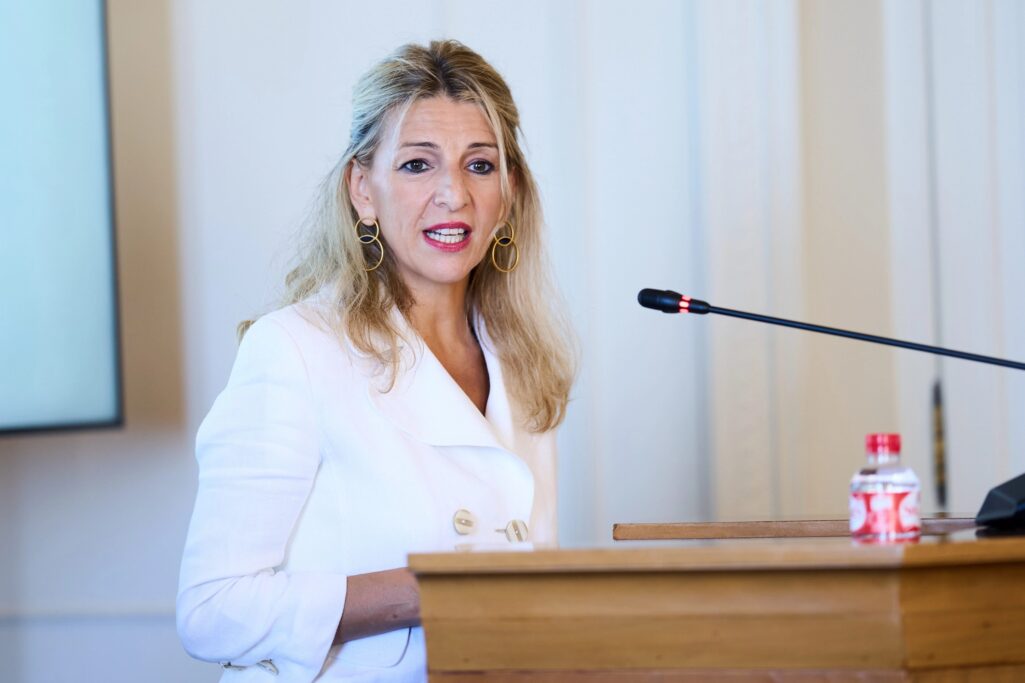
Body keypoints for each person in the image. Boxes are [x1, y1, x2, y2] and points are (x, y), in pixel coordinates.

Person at [176, 40, 575, 682]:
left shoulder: (524, 363)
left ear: (510, 192)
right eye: (418, 165)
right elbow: (211, 611)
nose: (454, 194)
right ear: (363, 189)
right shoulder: (295, 348)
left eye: (480, 165)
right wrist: (432, 588)